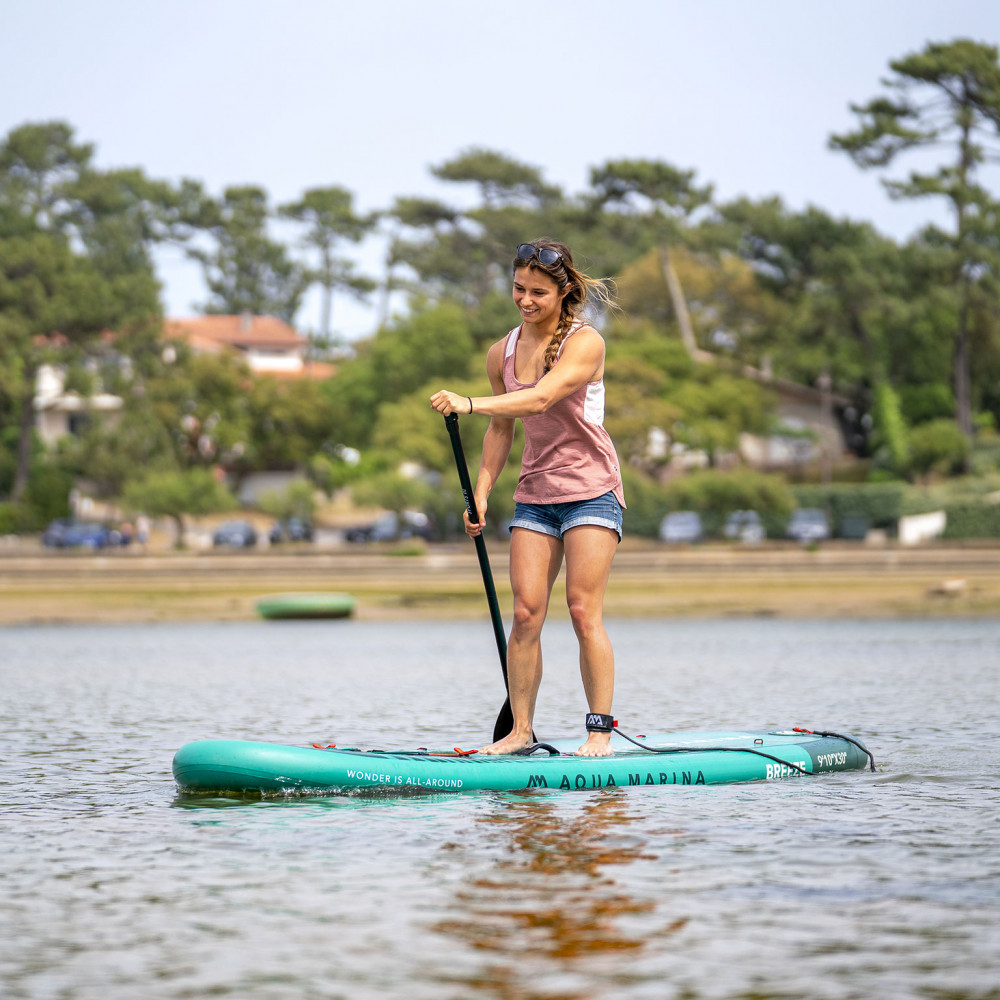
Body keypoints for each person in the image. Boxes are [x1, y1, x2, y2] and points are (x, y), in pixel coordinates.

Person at [430, 239, 625, 757]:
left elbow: (538, 399)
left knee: (582, 610)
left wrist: (468, 402)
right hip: (535, 493)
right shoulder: (502, 352)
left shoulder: (585, 343)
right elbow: (502, 428)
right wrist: (480, 493)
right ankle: (519, 733)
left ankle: (599, 733)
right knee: (525, 614)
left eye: (538, 292)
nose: (525, 300)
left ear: (563, 292)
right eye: (519, 288)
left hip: (592, 490)